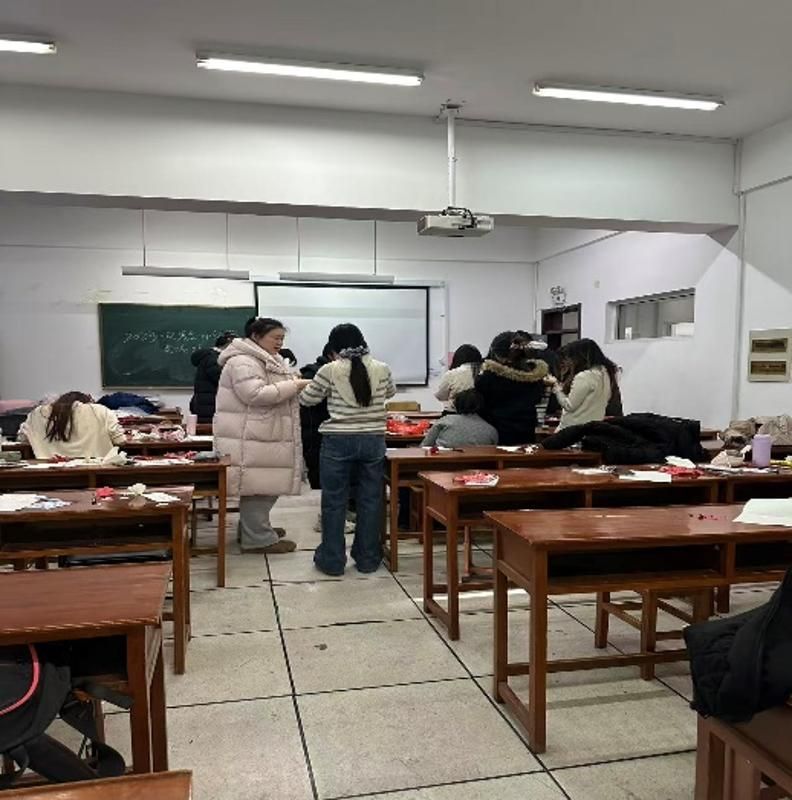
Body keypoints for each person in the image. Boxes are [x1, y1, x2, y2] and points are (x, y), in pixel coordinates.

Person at [300, 323, 396, 576]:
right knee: (371, 499)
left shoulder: (329, 370)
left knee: (334, 501)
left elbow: (307, 399)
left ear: (333, 347)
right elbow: (390, 392)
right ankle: (368, 558)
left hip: (338, 440)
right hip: (373, 439)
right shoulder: (382, 368)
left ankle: (332, 561)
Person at [214, 317, 310, 554]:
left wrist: (291, 381)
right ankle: (258, 538)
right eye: (275, 338)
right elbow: (255, 394)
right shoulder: (243, 361)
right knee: (260, 487)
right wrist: (295, 385)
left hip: (259, 433)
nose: (280, 343)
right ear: (256, 336)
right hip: (251, 435)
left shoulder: (262, 358)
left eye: (282, 338)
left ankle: (253, 530)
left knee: (261, 486)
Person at [475, 330, 548, 445]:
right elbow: (538, 398)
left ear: (496, 353)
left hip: (496, 431)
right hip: (526, 430)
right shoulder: (534, 376)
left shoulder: (488, 377)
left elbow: (480, 406)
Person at [18, 391, 125, 459]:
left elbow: (22, 438)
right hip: (97, 469)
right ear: (87, 401)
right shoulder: (100, 411)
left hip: (49, 471)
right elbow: (120, 440)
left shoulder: (37, 413)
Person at [546, 338, 620, 430]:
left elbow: (569, 405)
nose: (569, 362)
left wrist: (556, 387)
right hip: (593, 426)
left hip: (574, 428)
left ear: (579, 357)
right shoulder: (605, 373)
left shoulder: (584, 376)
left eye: (570, 358)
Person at [299, 343, 334, 490]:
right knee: (321, 476)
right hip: (315, 431)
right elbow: (306, 400)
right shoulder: (315, 373)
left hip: (325, 430)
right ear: (332, 354)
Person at [421, 389, 498, 448]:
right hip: (479, 464)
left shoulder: (445, 421)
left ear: (456, 405)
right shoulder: (491, 430)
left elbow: (425, 446)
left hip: (443, 463)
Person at [189, 331, 236, 424]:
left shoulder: (210, 357)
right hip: (209, 406)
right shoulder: (213, 359)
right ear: (228, 345)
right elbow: (222, 379)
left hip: (205, 404)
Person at [434, 344, 483, 411]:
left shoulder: (451, 374)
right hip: (482, 414)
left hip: (454, 413)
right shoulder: (486, 373)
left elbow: (441, 396)